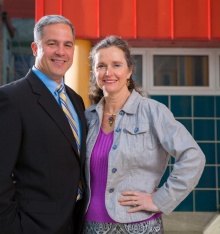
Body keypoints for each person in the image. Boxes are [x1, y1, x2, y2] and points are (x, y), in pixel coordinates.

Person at [82, 35, 206, 234]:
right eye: (101, 66)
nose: (108, 72)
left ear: (129, 71)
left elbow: (193, 157)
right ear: (94, 72)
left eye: (116, 65)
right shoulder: (88, 117)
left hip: (139, 226)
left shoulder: (153, 112)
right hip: (90, 225)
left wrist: (160, 200)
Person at [0, 15, 87, 234]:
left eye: (67, 45)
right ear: (35, 48)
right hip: (32, 226)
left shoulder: (76, 100)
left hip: (75, 223)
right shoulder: (11, 98)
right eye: (52, 44)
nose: (61, 51)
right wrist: (12, 227)